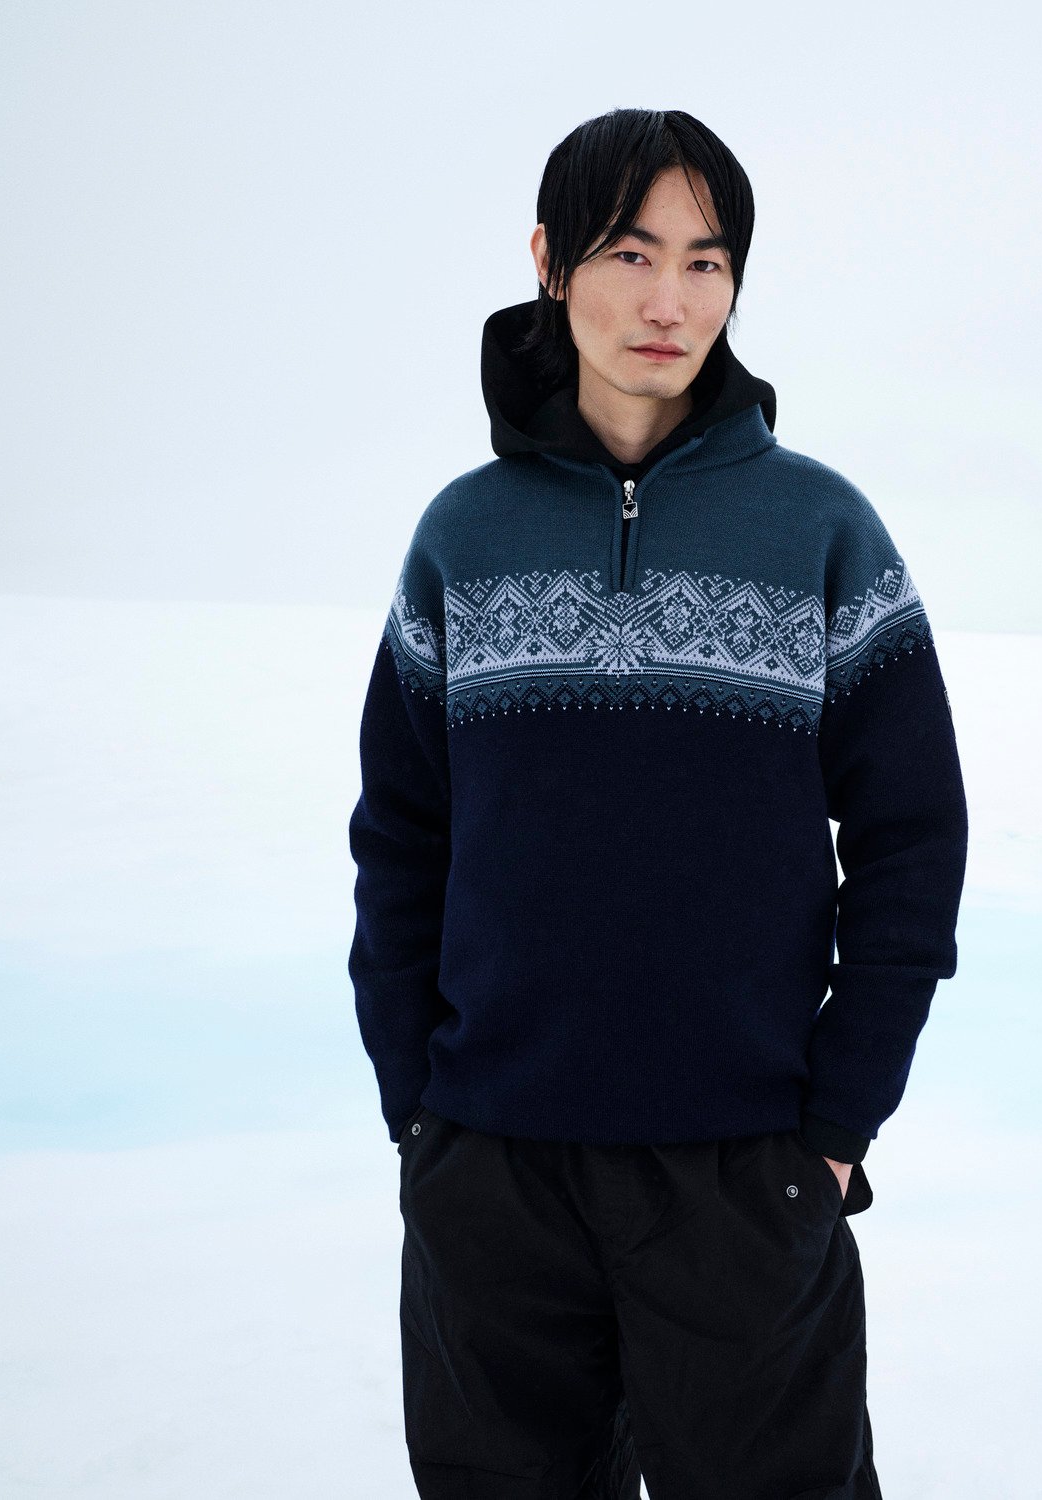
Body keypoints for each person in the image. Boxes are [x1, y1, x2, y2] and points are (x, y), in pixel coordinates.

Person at [347, 106, 970, 1500]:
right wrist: (421, 1107)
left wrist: (837, 1122)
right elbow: (402, 836)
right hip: (495, 1169)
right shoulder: (466, 534)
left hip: (745, 1169)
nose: (670, 298)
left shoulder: (820, 529)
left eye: (708, 259)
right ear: (552, 264)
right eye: (632, 252)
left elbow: (913, 838)